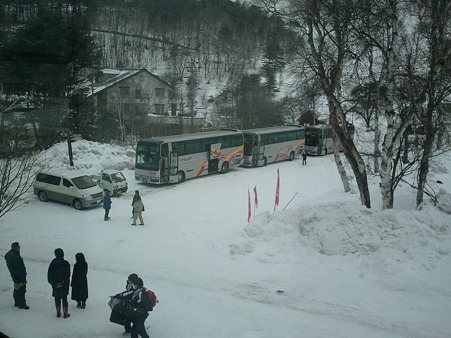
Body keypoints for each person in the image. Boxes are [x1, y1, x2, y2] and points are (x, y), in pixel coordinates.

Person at [4, 242, 29, 309]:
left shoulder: (11, 255)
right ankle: (22, 304)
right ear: (16, 248)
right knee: (22, 289)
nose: (19, 248)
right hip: (19, 276)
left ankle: (17, 302)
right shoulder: (15, 257)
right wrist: (23, 275)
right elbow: (19, 268)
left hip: (14, 276)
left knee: (17, 288)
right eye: (18, 247)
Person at [47, 248, 71, 318]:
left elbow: (49, 275)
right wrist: (62, 283)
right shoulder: (66, 263)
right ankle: (65, 313)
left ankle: (58, 312)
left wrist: (55, 283)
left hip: (55, 286)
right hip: (64, 285)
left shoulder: (52, 264)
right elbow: (68, 275)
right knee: (64, 299)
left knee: (57, 299)